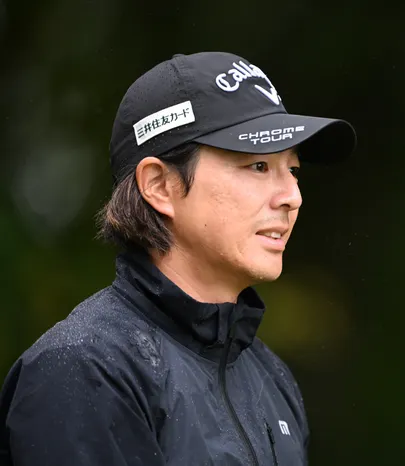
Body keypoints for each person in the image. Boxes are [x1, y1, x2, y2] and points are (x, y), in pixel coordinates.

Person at [0, 51, 356, 466]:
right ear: (159, 186)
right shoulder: (84, 370)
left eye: (292, 171)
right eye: (258, 165)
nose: (292, 197)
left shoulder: (271, 376)